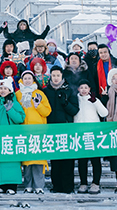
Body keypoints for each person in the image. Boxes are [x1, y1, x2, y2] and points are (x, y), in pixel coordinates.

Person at [43, 65, 79, 194]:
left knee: (68, 160)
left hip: (67, 129)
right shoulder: (45, 91)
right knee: (55, 160)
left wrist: (65, 103)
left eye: (58, 75)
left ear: (62, 76)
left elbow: (75, 110)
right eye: (53, 75)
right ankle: (56, 186)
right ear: (50, 76)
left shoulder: (69, 90)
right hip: (52, 129)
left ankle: (68, 187)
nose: (56, 78)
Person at [15, 71, 51, 194]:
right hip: (23, 131)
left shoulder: (39, 93)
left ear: (33, 79)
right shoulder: (18, 94)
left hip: (38, 131)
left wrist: (38, 105)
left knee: (38, 159)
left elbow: (47, 112)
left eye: (29, 78)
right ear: (21, 80)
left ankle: (39, 185)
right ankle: (28, 185)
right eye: (25, 78)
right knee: (26, 160)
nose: (27, 80)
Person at [73, 79, 108, 194]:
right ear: (78, 89)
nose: (83, 90)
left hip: (93, 134)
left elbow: (104, 113)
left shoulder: (94, 100)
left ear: (89, 89)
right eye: (81, 87)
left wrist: (96, 102)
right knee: (82, 161)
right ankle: (83, 183)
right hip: (80, 134)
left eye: (86, 88)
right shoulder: (75, 99)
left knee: (95, 161)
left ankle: (95, 183)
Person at [0, 77, 25, 195]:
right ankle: (1, 184)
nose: (3, 91)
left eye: (5, 88)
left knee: (11, 162)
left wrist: (10, 110)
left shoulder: (13, 102)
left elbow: (21, 118)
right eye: (1, 88)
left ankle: (12, 186)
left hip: (10, 137)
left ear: (10, 90)